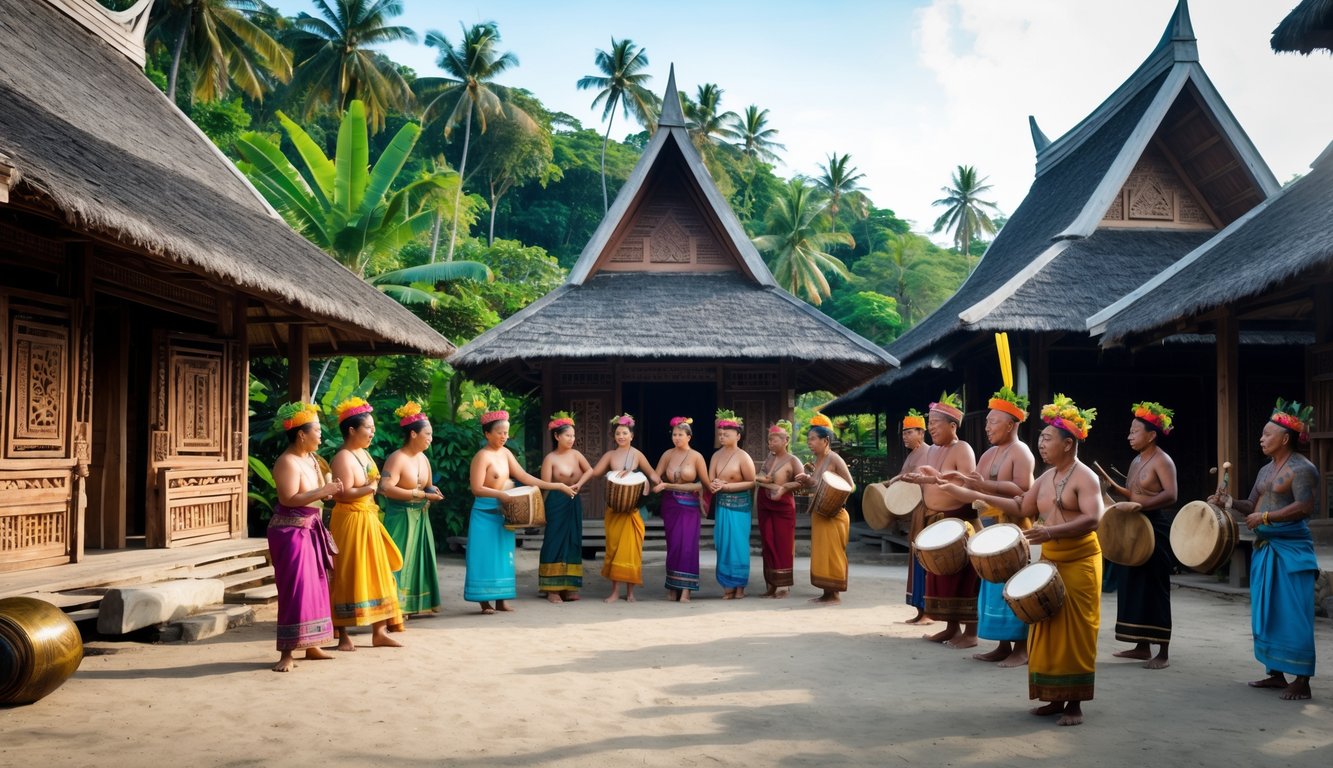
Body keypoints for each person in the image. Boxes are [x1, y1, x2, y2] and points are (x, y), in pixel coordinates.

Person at [943, 393, 1103, 726]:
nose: (1042, 444)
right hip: (1051, 558)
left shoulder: (1085, 477)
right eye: (1041, 438)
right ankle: (1052, 697)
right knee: (1044, 629)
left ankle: (1074, 703)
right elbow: (1021, 507)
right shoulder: (1046, 478)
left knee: (1075, 633)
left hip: (1080, 561)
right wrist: (971, 492)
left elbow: (1094, 518)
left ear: (1069, 444)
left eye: (1048, 439)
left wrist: (1052, 533)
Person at [1211, 398, 1319, 701]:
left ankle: (1302, 679)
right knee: (1268, 611)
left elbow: (1306, 506)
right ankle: (1276, 673)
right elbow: (1251, 506)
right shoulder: (1264, 471)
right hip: (1266, 548)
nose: (1261, 438)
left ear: (1285, 438)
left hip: (1291, 548)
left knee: (1294, 614)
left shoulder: (1302, 468)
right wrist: (1228, 503)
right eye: (1262, 434)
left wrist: (1267, 517)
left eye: (1267, 434)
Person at [938, 387, 1035, 667]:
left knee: (1016, 588)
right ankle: (1003, 645)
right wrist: (944, 478)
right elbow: (974, 483)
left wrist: (982, 485)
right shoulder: (989, 453)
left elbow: (1023, 489)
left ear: (1012, 424)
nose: (987, 426)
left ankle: (1022, 648)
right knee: (994, 587)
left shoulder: (1021, 452)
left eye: (994, 421)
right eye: (987, 421)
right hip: (990, 526)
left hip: (1014, 527)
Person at [468, 407, 577, 614]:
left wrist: (556, 485)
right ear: (487, 434)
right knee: (486, 557)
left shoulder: (506, 453)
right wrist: (500, 495)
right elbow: (476, 488)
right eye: (500, 432)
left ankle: (501, 600)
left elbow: (525, 477)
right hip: (484, 514)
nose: (504, 437)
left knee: (504, 557)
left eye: (506, 432)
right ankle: (485, 602)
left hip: (504, 513)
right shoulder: (482, 456)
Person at [901, 391, 979, 648]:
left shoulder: (963, 448)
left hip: (960, 521)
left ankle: (970, 634)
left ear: (953, 426)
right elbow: (931, 478)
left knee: (965, 578)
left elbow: (966, 482)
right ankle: (950, 628)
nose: (931, 426)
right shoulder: (932, 450)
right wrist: (920, 480)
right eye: (930, 421)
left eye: (936, 422)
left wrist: (935, 478)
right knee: (943, 579)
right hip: (936, 520)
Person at [267, 402, 341, 672]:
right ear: (301, 434)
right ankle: (287, 653)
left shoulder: (310, 459)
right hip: (291, 533)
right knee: (295, 590)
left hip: (311, 528)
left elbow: (313, 493)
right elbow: (288, 498)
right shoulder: (287, 461)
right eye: (317, 430)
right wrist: (323, 492)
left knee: (317, 587)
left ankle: (313, 645)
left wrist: (326, 490)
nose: (321, 435)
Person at [1105, 401, 1179, 670]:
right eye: (1130, 431)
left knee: (1155, 586)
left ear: (1151, 435)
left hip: (1155, 527)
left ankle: (1163, 652)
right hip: (1134, 526)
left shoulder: (1162, 460)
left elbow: (1171, 495)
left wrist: (1138, 505)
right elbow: (1134, 494)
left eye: (1135, 431)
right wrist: (1114, 490)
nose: (1130, 436)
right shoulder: (1137, 460)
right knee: (1132, 584)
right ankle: (1140, 645)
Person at [328, 398, 404, 651]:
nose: (373, 432)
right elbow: (341, 494)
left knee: (378, 572)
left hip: (369, 519)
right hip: (350, 520)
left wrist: (372, 488)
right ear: (352, 430)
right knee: (348, 573)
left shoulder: (364, 453)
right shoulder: (342, 457)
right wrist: (370, 487)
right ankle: (344, 636)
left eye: (373, 428)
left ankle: (379, 631)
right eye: (368, 428)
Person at [587, 414, 663, 603]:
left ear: (631, 436)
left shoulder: (637, 454)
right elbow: (595, 473)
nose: (621, 436)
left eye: (624, 433)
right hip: (614, 511)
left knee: (631, 550)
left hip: (632, 511)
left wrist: (653, 482)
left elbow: (653, 474)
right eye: (618, 433)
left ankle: (630, 592)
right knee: (613, 549)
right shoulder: (610, 456)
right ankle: (614, 591)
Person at [378, 402, 445, 617]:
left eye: (431, 434)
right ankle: (396, 607)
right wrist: (424, 494)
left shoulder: (423, 458)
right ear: (413, 434)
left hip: (420, 515)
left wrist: (432, 489)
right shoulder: (397, 458)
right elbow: (385, 488)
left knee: (418, 560)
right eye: (427, 434)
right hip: (400, 516)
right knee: (399, 560)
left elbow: (426, 485)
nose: (430, 439)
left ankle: (414, 604)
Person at [797, 413, 854, 604]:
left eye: (812, 439)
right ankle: (826, 592)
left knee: (833, 553)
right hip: (819, 512)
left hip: (834, 514)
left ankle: (834, 593)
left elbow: (850, 485)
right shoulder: (818, 461)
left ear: (825, 440)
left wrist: (835, 498)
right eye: (808, 440)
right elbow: (817, 485)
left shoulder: (834, 458)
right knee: (822, 553)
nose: (809, 443)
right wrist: (807, 481)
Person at [652, 417, 710, 602]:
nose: (676, 438)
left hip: (689, 507)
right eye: (674, 434)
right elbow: (656, 475)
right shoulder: (667, 454)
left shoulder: (697, 456)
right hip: (670, 505)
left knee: (688, 547)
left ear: (689, 437)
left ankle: (686, 589)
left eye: (680, 435)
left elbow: (703, 484)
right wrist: (646, 481)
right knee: (674, 546)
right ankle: (672, 587)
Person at [539, 412, 592, 603]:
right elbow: (545, 485)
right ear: (557, 436)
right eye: (568, 435)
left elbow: (590, 470)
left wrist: (579, 484)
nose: (572, 439)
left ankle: (570, 586)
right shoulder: (550, 459)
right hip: (555, 502)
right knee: (554, 541)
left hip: (573, 502)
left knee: (573, 540)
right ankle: (551, 588)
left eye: (573, 436)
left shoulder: (577, 455)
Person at [885, 410, 930, 622]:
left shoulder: (929, 452)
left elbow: (921, 481)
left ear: (921, 433)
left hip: (926, 510)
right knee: (915, 558)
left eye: (909, 432)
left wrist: (898, 478)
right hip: (915, 512)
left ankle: (927, 610)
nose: (904, 436)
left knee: (924, 559)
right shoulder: (912, 454)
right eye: (903, 432)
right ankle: (920, 609)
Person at [709, 410, 757, 599]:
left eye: (726, 434)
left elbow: (752, 482)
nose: (722, 437)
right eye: (720, 434)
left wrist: (727, 486)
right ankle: (727, 586)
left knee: (738, 545)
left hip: (739, 507)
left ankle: (740, 587)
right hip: (722, 506)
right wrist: (714, 484)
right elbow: (711, 479)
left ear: (738, 436)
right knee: (723, 544)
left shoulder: (743, 456)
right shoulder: (715, 456)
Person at [754, 420, 803, 599]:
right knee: (767, 542)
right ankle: (772, 584)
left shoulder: (793, 460)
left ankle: (783, 587)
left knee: (783, 543)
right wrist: (761, 479)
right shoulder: (769, 458)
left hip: (782, 506)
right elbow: (761, 475)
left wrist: (784, 487)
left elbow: (801, 482)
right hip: (765, 503)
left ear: (786, 440)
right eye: (769, 440)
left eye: (774, 440)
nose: (771, 444)